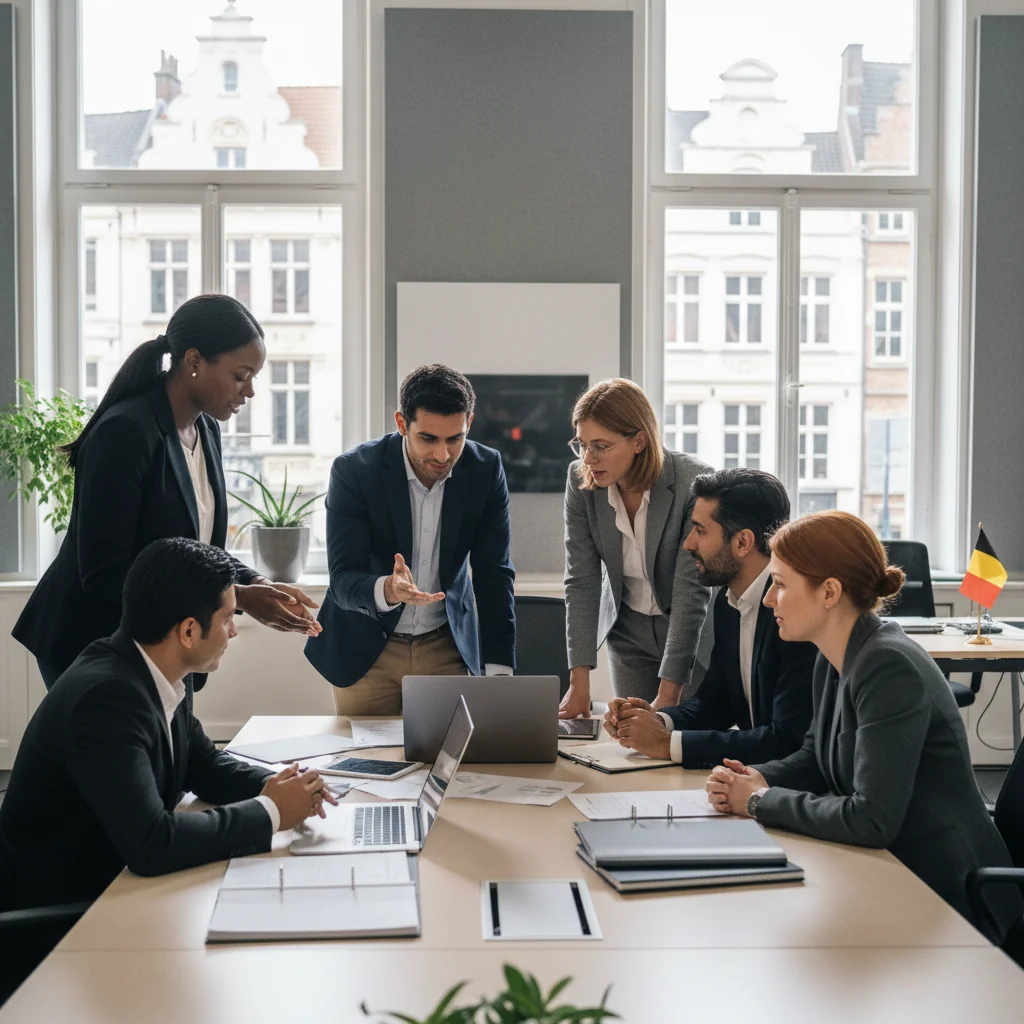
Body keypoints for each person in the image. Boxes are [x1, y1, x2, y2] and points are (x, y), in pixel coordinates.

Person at [705, 510, 1020, 932]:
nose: (767, 600)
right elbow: (817, 759)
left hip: (947, 895)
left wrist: (759, 800)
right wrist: (751, 777)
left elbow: (870, 819)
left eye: (779, 585)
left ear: (830, 592)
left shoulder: (888, 665)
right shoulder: (835, 654)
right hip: (893, 869)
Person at [0, 538, 337, 916]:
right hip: (60, 918)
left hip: (115, 886)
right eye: (228, 619)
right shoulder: (106, 699)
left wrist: (285, 785)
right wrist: (271, 811)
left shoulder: (148, 670)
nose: (234, 632)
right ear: (189, 631)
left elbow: (205, 765)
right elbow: (152, 844)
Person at [12, 294, 321, 700]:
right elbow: (104, 572)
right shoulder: (124, 433)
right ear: (193, 362)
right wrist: (237, 596)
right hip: (93, 641)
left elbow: (193, 548)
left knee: (174, 760)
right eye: (241, 375)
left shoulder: (205, 430)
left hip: (163, 643)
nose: (250, 392)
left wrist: (256, 581)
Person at [305, 364, 515, 715]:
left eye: (455, 438)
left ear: (470, 424)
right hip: (366, 652)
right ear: (402, 424)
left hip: (446, 648)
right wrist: (387, 589)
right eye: (428, 438)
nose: (443, 455)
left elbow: (495, 575)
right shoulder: (355, 471)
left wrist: (499, 672)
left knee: (451, 766)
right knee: (367, 766)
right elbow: (342, 579)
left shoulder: (485, 469)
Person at [604, 468, 816, 768]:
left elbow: (787, 740)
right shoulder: (727, 602)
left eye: (701, 530)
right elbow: (717, 703)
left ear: (742, 542)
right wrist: (657, 720)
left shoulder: (795, 611)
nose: (688, 543)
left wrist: (668, 745)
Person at [561, 378, 711, 718]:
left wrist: (669, 692)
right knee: (633, 742)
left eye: (601, 446)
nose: (589, 458)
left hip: (691, 635)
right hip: (627, 635)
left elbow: (691, 591)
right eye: (582, 444)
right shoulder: (580, 483)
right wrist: (578, 681)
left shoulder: (692, 481)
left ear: (639, 441)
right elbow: (581, 582)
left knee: (685, 741)